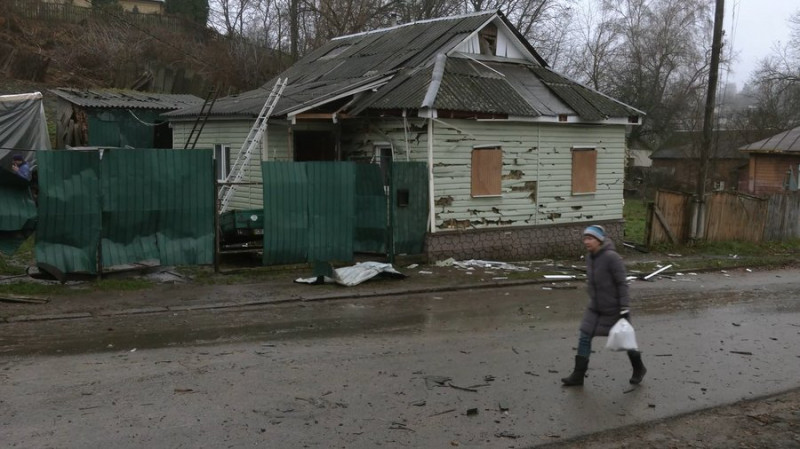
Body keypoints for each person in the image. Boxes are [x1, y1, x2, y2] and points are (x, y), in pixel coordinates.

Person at [561, 224, 647, 387]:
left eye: (590, 238)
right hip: (595, 308)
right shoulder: (590, 257)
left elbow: (622, 283)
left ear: (599, 240)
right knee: (584, 336)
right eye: (585, 238)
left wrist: (624, 307)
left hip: (614, 309)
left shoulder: (612, 257)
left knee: (625, 341)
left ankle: (639, 368)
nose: (587, 242)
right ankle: (578, 376)